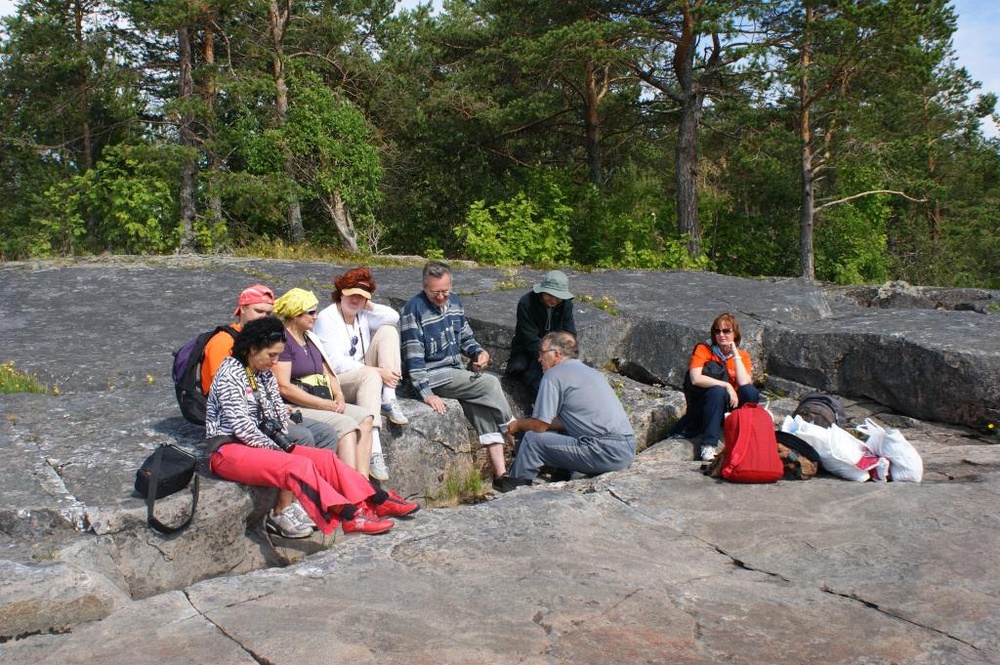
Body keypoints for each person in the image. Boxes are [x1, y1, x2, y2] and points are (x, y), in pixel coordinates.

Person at [205, 317, 416, 539]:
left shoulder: (262, 373)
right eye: (271, 355)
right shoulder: (229, 375)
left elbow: (276, 411)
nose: (275, 362)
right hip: (228, 449)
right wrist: (281, 449)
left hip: (260, 445)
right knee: (297, 464)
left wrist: (282, 439)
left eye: (278, 355)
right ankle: (350, 516)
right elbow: (242, 428)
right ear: (252, 349)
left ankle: (375, 499)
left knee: (325, 459)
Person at [400, 260, 514, 483]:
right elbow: (412, 358)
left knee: (480, 405)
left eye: (445, 291)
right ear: (424, 287)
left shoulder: (455, 302)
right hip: (433, 377)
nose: (441, 297)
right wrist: (426, 393)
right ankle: (514, 431)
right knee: (489, 384)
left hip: (455, 371)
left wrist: (479, 353)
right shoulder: (412, 311)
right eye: (435, 293)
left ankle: (501, 475)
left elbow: (466, 338)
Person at [200, 284, 338, 451]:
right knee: (303, 436)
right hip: (234, 428)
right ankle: (302, 472)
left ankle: (324, 473)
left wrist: (279, 416)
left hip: (264, 416)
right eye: (259, 311)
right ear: (242, 309)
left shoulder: (265, 362)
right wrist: (279, 445)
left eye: (268, 313)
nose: (264, 317)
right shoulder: (223, 344)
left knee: (325, 432)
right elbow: (222, 396)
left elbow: (264, 392)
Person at [498, 332, 636, 492]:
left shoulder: (553, 374)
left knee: (532, 441)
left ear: (556, 354)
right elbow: (566, 422)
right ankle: (560, 480)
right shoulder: (591, 372)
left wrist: (517, 425)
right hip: (626, 449)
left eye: (542, 353)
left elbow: (540, 425)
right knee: (566, 433)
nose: (539, 359)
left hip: (604, 452)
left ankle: (515, 490)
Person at [313, 267, 409, 480]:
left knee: (388, 331)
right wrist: (377, 371)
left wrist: (370, 302)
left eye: (361, 296)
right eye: (351, 294)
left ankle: (388, 398)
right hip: (339, 381)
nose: (355, 300)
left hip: (364, 374)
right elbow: (335, 363)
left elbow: (393, 317)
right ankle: (374, 448)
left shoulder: (363, 314)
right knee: (371, 376)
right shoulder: (328, 318)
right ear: (341, 293)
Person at [675, 312, 760, 462]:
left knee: (750, 391)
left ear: (735, 334)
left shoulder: (743, 355)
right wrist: (726, 385)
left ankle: (747, 437)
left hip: (730, 408)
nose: (721, 335)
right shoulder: (704, 350)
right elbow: (695, 378)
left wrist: (735, 354)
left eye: (726, 331)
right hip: (708, 407)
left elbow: (744, 383)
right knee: (717, 391)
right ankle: (708, 445)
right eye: (717, 331)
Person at [506, 270, 577, 400]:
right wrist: (545, 358)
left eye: (558, 296)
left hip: (556, 350)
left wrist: (564, 356)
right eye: (550, 295)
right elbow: (530, 338)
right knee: (521, 370)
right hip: (528, 348)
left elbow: (569, 332)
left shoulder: (566, 304)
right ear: (542, 291)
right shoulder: (526, 303)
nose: (554, 300)